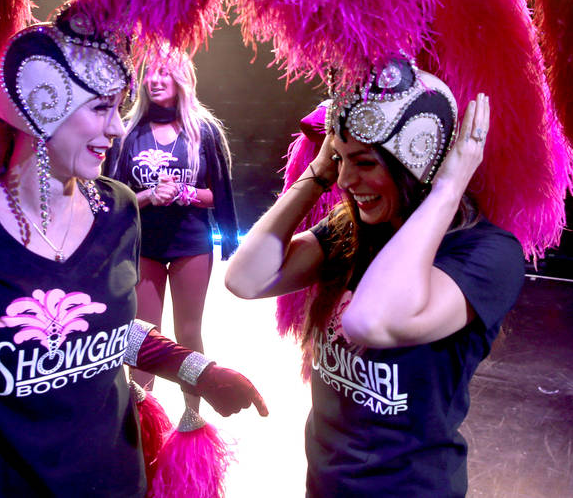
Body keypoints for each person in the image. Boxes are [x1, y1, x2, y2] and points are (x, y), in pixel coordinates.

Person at [0, 10, 265, 498]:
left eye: (119, 108)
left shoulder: (118, 208)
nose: (118, 128)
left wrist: (198, 371)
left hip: (120, 482)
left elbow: (110, 329)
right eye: (101, 108)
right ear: (40, 106)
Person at [225, 58, 525, 497]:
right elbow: (244, 279)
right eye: (340, 159)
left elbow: (370, 322)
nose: (345, 179)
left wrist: (447, 186)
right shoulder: (349, 230)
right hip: (326, 485)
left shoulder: (487, 253)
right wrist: (317, 174)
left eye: (363, 162)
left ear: (418, 164)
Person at [106, 50, 237, 411]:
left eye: (165, 72)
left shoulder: (203, 130)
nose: (157, 79)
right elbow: (114, 194)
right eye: (149, 73)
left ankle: (192, 418)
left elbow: (219, 195)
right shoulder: (128, 131)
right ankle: (144, 421)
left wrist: (185, 192)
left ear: (181, 79)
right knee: (144, 334)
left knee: (188, 333)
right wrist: (149, 195)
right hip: (143, 245)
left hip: (191, 245)